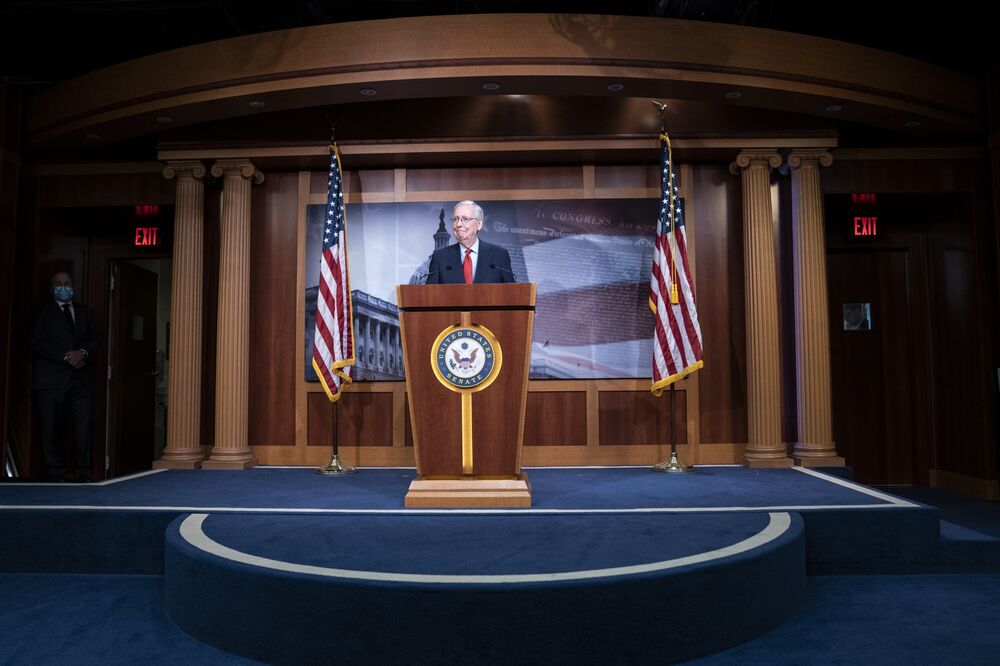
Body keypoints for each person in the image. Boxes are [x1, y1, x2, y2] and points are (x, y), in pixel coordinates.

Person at [31, 272, 99, 482]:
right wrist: (67, 357)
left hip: (80, 378)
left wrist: (83, 353)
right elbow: (37, 343)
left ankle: (84, 471)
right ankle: (56, 472)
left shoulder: (85, 312)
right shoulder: (42, 313)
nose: (64, 287)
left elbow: (95, 338)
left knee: (84, 424)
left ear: (73, 287)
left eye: (67, 284)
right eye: (59, 284)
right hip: (51, 379)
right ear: (52, 290)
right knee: (51, 427)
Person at [426, 200, 516, 284]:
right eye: (455, 219)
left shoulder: (499, 255)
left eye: (465, 219)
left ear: (479, 224)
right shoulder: (440, 257)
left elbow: (511, 294)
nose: (458, 224)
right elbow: (430, 296)